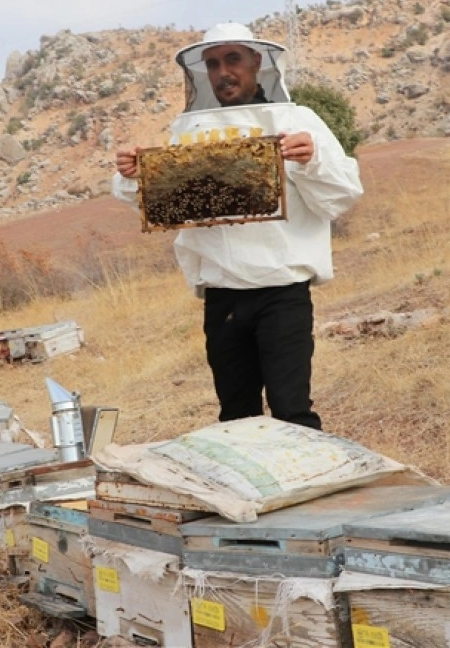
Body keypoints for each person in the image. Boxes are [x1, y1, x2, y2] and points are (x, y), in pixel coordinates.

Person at [112, 22, 363, 431]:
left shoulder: (297, 119)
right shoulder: (189, 130)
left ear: (257, 62)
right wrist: (135, 174)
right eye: (212, 64)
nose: (223, 72)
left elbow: (342, 194)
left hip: (281, 294)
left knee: (292, 412)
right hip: (222, 298)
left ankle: (308, 493)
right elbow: (159, 202)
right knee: (236, 419)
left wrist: (310, 159)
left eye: (233, 59)